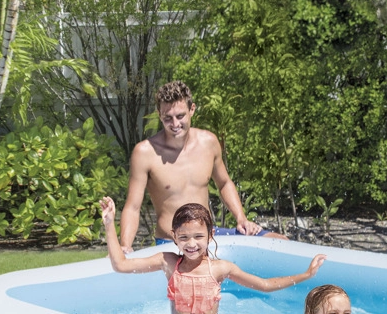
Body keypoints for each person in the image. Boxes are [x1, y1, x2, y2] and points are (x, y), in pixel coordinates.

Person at [100, 197, 324, 314]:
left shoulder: (220, 268)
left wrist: (305, 275)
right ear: (174, 237)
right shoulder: (168, 262)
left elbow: (264, 285)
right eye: (184, 237)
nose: (191, 244)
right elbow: (121, 265)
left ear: (210, 235)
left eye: (199, 236)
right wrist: (110, 225)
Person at [119, 80, 286, 252]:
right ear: (159, 115)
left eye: (180, 116)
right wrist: (125, 245)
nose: (175, 124)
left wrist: (241, 218)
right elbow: (133, 207)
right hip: (172, 244)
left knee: (280, 242)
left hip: (208, 237)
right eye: (168, 118)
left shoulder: (208, 142)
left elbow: (224, 183)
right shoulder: (145, 152)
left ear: (192, 109)